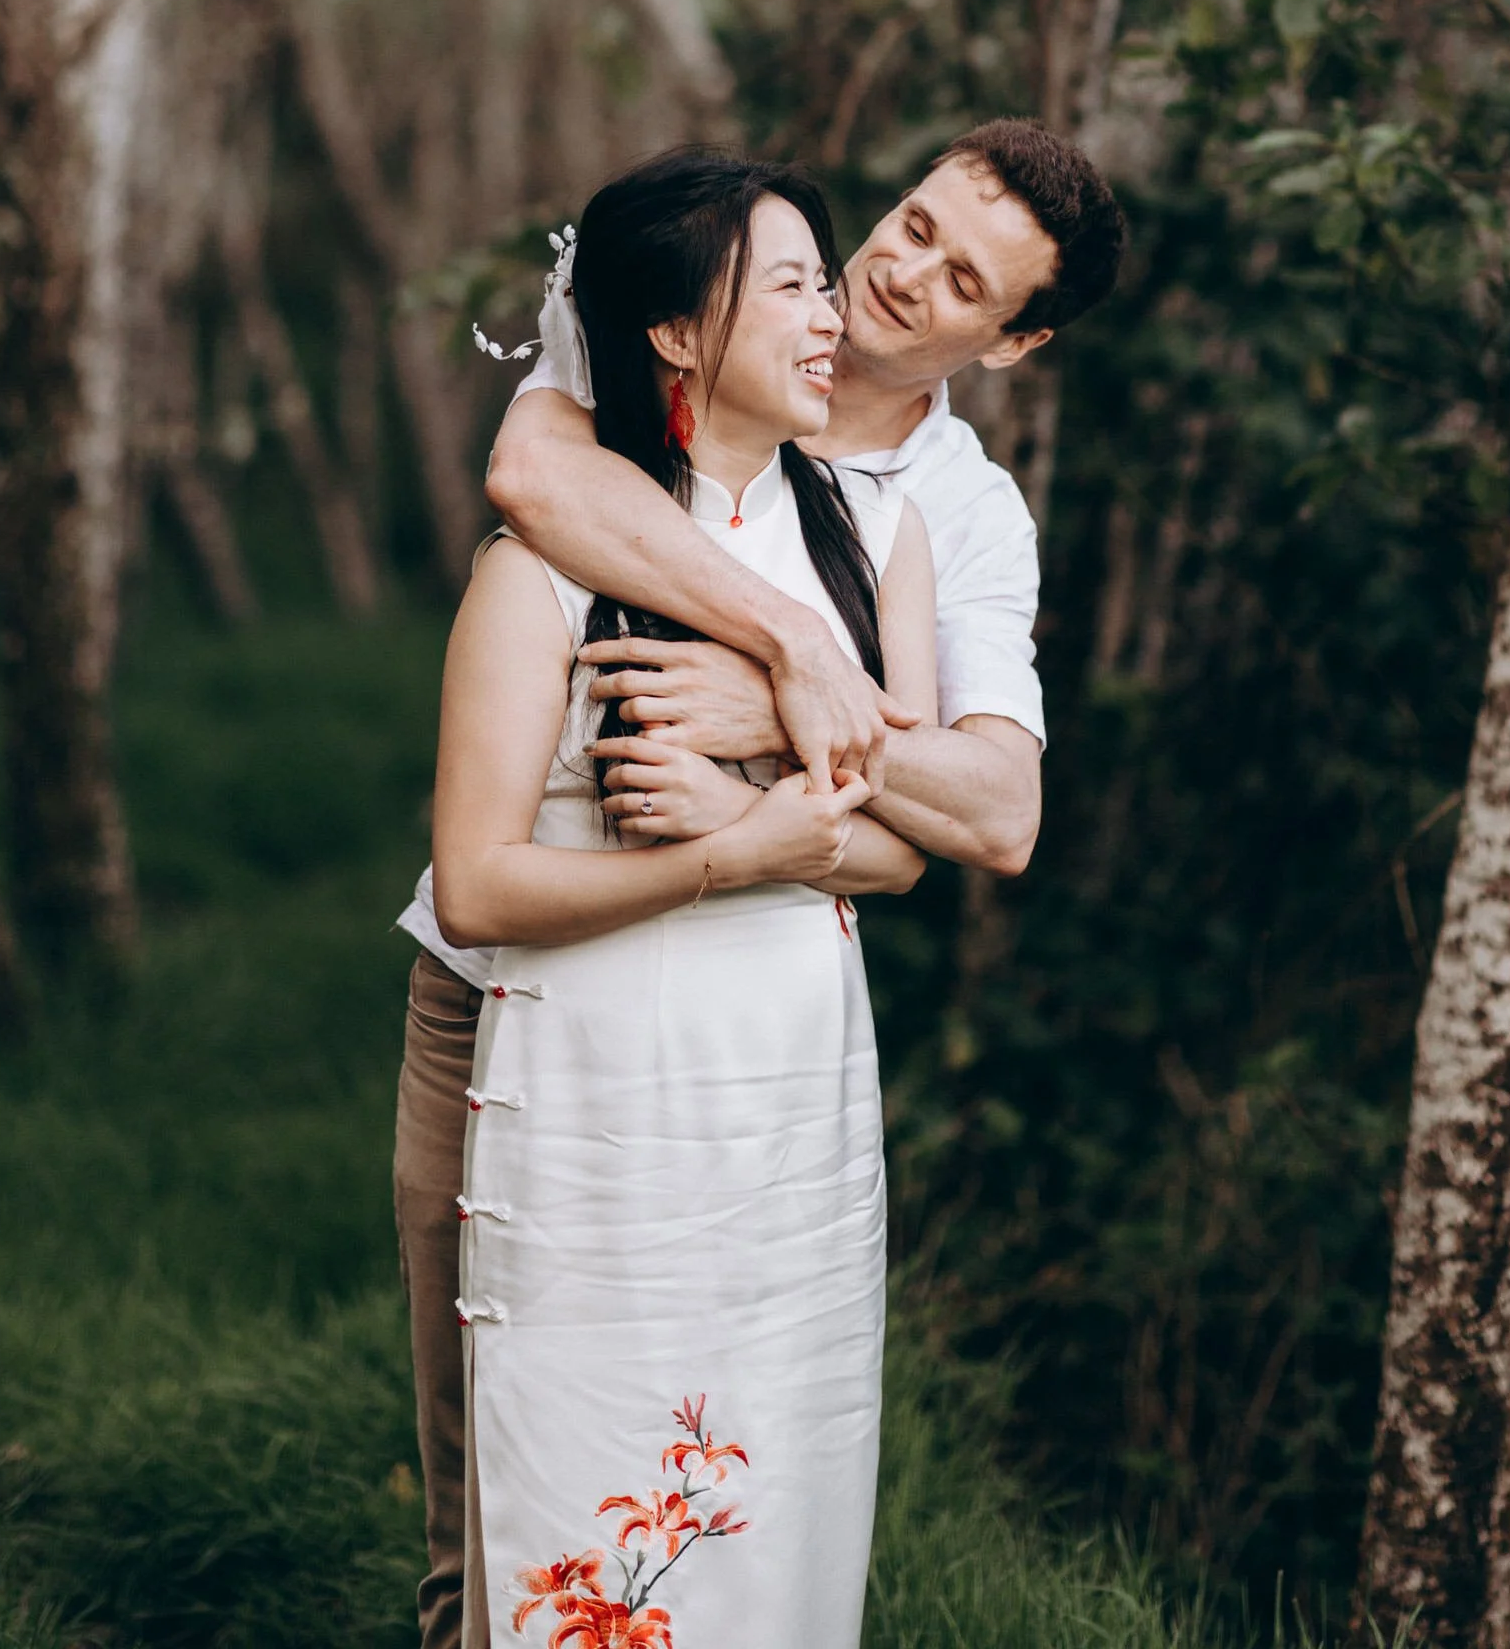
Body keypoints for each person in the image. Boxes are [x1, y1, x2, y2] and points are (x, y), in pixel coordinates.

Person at [393, 117, 1126, 1647]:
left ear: (1015, 339)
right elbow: (533, 474)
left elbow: (986, 818)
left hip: (764, 1050)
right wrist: (791, 652)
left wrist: (766, 724)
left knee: (745, 1476)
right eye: (916, 225)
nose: (899, 276)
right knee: (509, 1481)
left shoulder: (951, 519)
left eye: (965, 277)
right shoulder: (697, 305)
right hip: (509, 1009)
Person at [428, 145, 937, 1649]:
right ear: (671, 333)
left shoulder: (874, 543)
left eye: (818, 274)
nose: (828, 309)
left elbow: (903, 847)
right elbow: (475, 885)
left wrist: (770, 813)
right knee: (591, 1487)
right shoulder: (545, 565)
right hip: (600, 1078)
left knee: (784, 1475)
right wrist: (733, 855)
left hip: (796, 1085)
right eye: (786, 282)